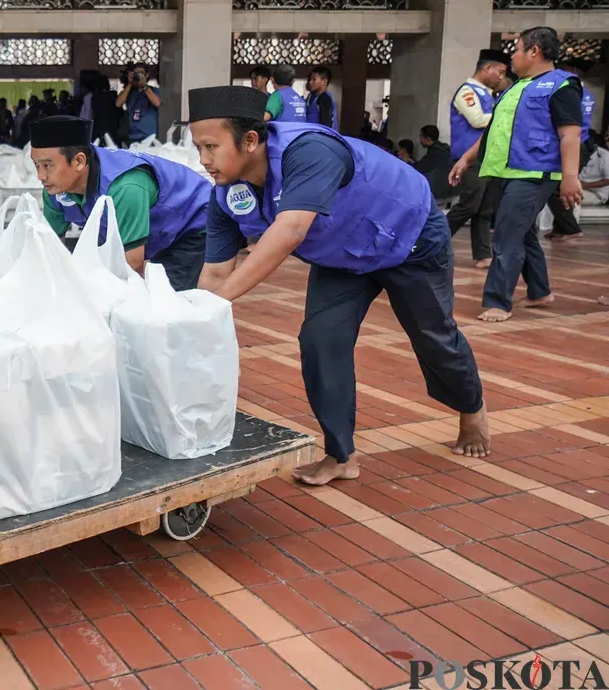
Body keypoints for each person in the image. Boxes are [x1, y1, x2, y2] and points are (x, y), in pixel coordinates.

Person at [190, 86, 488, 483]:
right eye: (197, 148)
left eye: (211, 146)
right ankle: (341, 454)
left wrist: (218, 302)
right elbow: (214, 272)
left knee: (432, 334)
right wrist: (189, 317)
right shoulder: (226, 195)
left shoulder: (309, 151)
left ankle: (471, 407)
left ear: (249, 140)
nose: (204, 160)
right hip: (343, 257)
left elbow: (291, 230)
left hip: (409, 237)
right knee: (320, 339)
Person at [449, 26, 585, 322]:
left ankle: (497, 301)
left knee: (507, 237)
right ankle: (539, 291)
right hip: (503, 172)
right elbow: (492, 131)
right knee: (522, 233)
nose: (513, 55)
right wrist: (467, 159)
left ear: (534, 51)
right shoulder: (514, 88)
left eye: (518, 48)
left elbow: (570, 134)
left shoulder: (561, 86)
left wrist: (570, 176)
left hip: (534, 173)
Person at [31, 115, 213, 292]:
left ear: (79, 161)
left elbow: (132, 267)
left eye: (47, 166)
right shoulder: (55, 189)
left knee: (168, 297)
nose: (40, 176)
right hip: (157, 229)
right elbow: (52, 249)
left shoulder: (124, 185)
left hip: (191, 222)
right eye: (36, 165)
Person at [445, 48, 509, 267]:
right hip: (469, 158)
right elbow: (478, 119)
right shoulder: (468, 91)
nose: (501, 77)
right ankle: (430, 240)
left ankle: (483, 255)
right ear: (486, 68)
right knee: (469, 205)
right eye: (499, 71)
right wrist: (506, 115)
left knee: (484, 209)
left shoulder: (489, 95)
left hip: (488, 157)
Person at [543, 59, 597, 241]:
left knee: (556, 188)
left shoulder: (571, 92)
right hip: (582, 142)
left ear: (572, 70)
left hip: (576, 143)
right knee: (561, 187)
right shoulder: (585, 93)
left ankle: (570, 228)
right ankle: (561, 228)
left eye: (564, 68)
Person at [115, 62, 161, 145]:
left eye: (141, 73)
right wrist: (129, 84)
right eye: (135, 74)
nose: (138, 76)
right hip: (132, 138)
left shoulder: (154, 91)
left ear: (146, 75)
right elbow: (118, 104)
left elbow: (157, 103)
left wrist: (144, 85)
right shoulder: (130, 92)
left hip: (149, 138)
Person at [416, 125, 454, 201]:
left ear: (427, 139)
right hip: (449, 193)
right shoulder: (444, 149)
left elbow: (418, 169)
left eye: (421, 136)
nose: (420, 139)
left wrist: (405, 162)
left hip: (438, 196)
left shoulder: (434, 153)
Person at [305, 66, 337, 130]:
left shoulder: (325, 98)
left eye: (314, 79)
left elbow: (326, 125)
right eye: (310, 79)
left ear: (324, 81)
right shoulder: (311, 96)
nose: (310, 82)